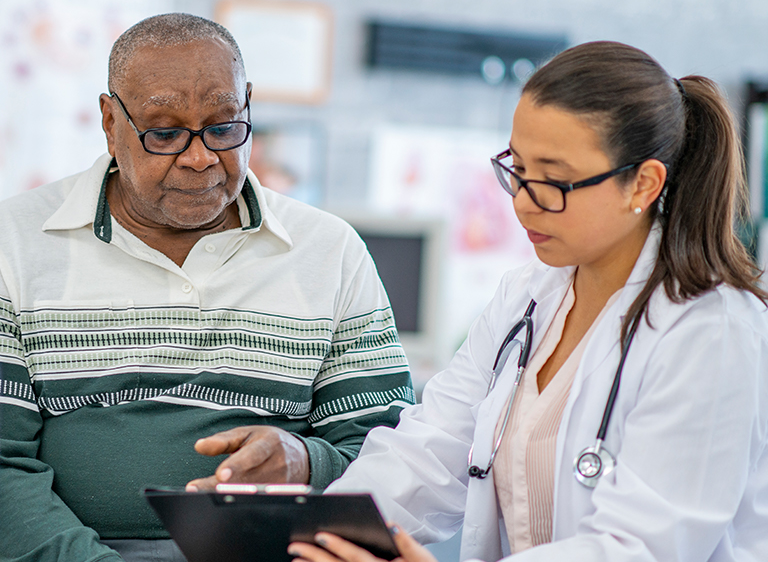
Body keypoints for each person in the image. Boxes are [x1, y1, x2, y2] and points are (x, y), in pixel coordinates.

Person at [290, 41, 768, 562]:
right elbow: (428, 451)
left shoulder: (711, 329)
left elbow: (640, 547)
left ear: (643, 184)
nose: (522, 202)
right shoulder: (524, 298)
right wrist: (314, 535)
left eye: (554, 180)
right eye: (517, 168)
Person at [0, 13, 414, 562]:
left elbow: (391, 451)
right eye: (164, 133)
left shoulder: (329, 250)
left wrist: (305, 461)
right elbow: (3, 464)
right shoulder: (15, 242)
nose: (200, 158)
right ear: (110, 121)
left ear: (248, 106)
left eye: (222, 128)